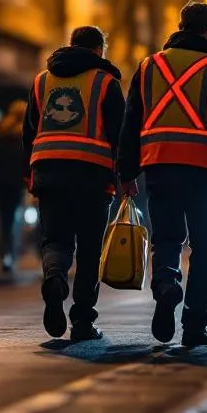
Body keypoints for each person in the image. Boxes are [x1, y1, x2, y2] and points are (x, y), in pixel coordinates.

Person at [118, 2, 207, 347]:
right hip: (204, 170)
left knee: (166, 237)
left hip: (159, 165)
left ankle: (166, 285)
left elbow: (131, 123)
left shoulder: (149, 66)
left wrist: (126, 171)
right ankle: (194, 325)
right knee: (204, 246)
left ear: (180, 26)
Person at [24, 26, 124, 341]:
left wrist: (29, 174)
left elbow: (29, 132)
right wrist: (126, 177)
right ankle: (82, 320)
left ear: (71, 45)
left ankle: (55, 278)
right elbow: (119, 135)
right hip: (93, 176)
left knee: (55, 240)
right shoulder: (105, 82)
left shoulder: (42, 81)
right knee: (90, 250)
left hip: (49, 173)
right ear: (99, 50)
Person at [0, 99, 28, 272]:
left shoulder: (1, 131)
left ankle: (4, 254)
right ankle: (10, 254)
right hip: (17, 183)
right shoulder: (26, 133)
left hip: (0, 182)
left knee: (4, 220)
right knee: (14, 220)